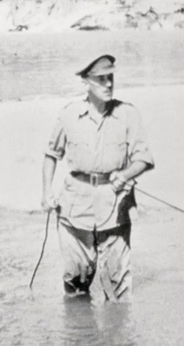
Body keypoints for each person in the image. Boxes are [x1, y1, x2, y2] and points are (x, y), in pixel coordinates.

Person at [41, 54, 154, 300]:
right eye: (101, 79)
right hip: (75, 209)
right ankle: (81, 333)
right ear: (86, 82)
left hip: (115, 207)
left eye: (110, 78)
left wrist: (125, 174)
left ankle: (120, 335)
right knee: (76, 281)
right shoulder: (69, 114)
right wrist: (46, 192)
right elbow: (51, 155)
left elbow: (144, 159)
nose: (109, 84)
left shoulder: (128, 114)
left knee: (119, 288)